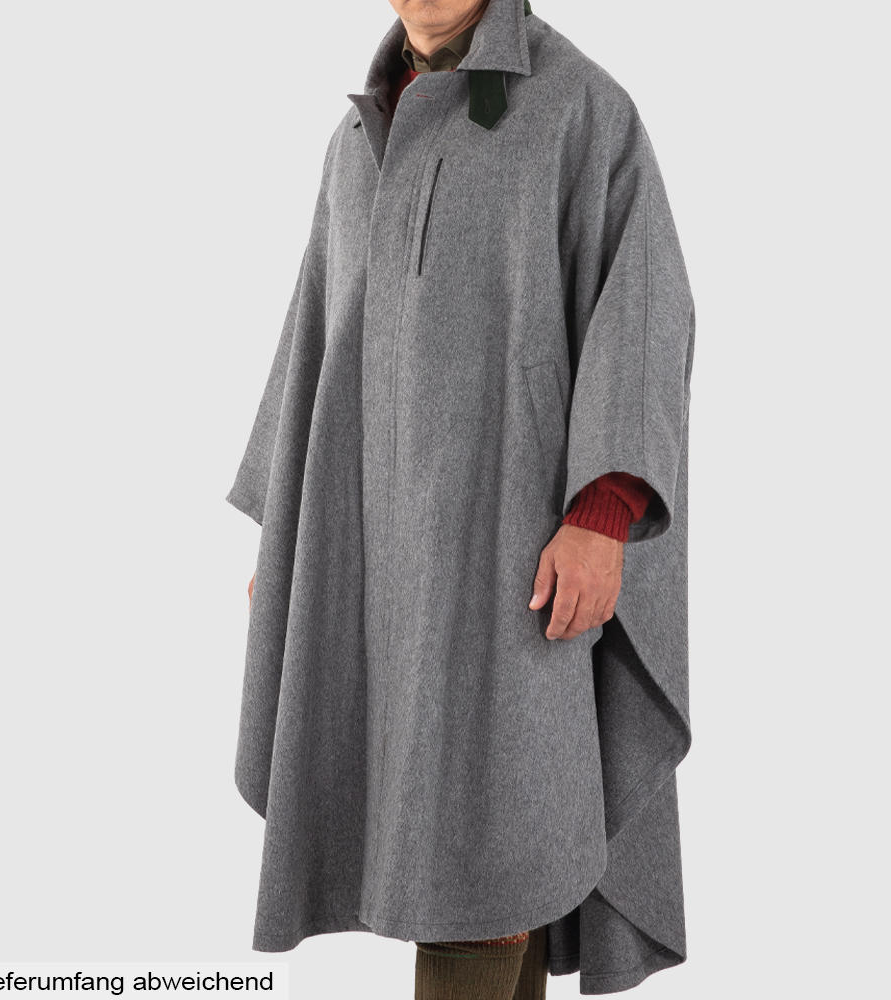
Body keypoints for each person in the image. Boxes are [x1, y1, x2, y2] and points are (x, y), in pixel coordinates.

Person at [226, 0, 696, 996]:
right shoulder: (356, 138)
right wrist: (291, 537)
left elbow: (644, 300)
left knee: (492, 838)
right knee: (442, 842)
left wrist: (603, 512)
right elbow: (315, 339)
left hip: (510, 559)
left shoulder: (579, 108)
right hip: (370, 560)